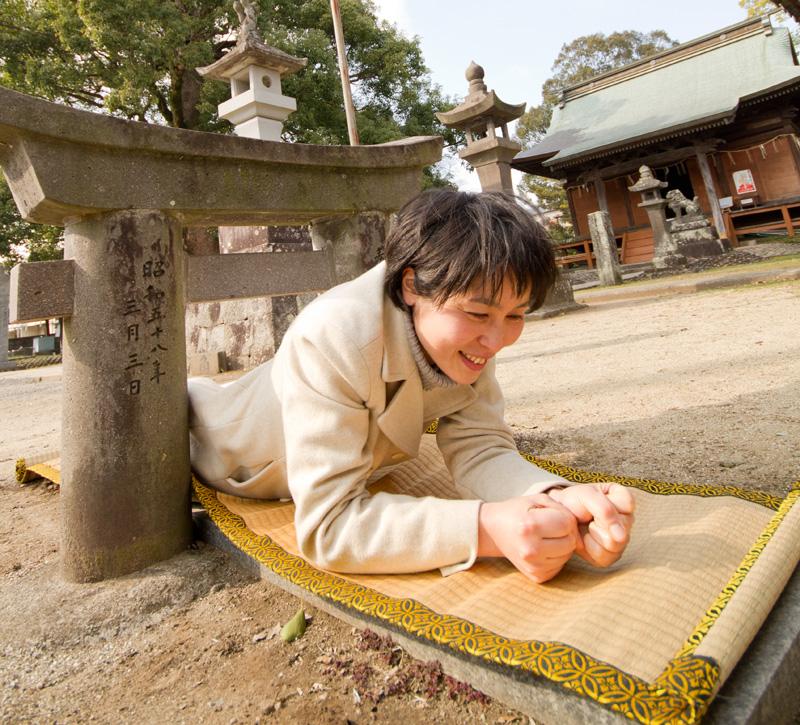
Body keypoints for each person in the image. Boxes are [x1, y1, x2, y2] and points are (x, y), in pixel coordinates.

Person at [189, 190, 634, 583]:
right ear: (411, 287)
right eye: (478, 314)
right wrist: (486, 528)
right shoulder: (332, 335)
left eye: (516, 315)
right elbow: (330, 527)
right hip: (225, 445)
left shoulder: (466, 335)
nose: (496, 341)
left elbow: (480, 446)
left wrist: (553, 498)